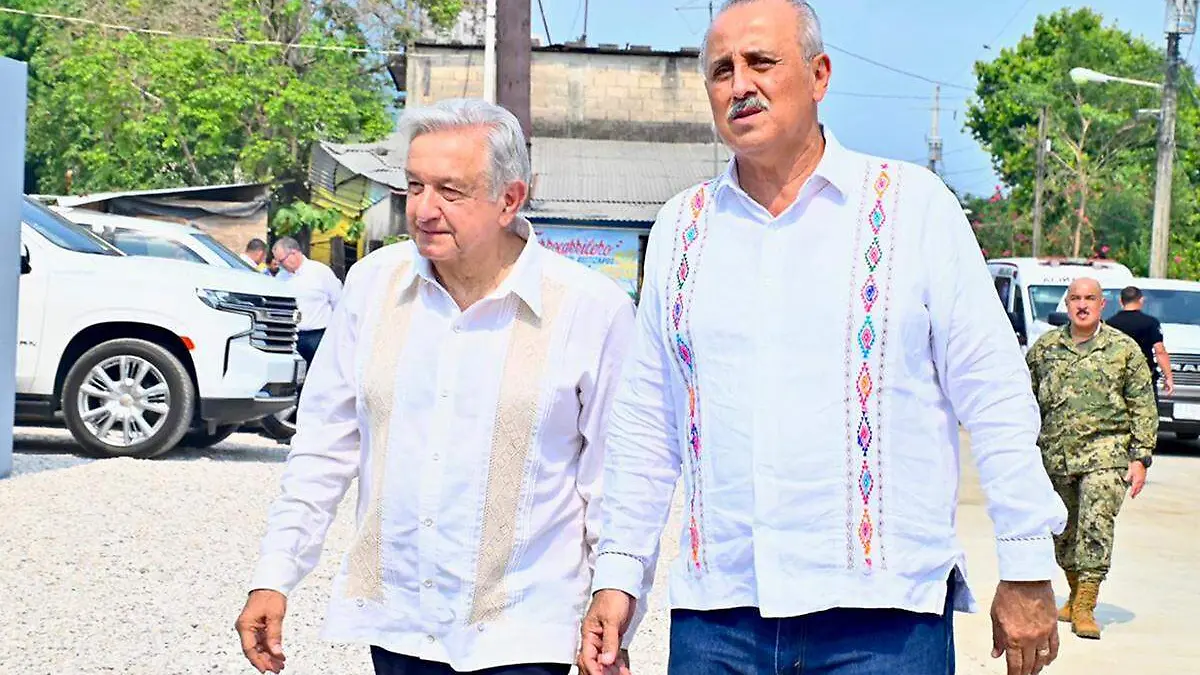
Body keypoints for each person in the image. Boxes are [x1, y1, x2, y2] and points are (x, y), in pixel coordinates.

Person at [577, 2, 1068, 674]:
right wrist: (617, 575)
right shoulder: (682, 230)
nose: (740, 85)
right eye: (721, 70)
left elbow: (995, 393)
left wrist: (1027, 562)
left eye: (761, 62)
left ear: (819, 75)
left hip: (885, 623)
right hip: (720, 619)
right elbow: (647, 422)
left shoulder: (912, 208)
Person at [234, 98, 637, 675]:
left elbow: (614, 479)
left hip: (525, 631)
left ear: (510, 199)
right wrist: (274, 575)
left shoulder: (589, 309)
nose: (423, 209)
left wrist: (615, 596)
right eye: (414, 186)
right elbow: (323, 446)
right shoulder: (373, 286)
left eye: (450, 191)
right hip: (400, 625)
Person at [1024, 277, 1157, 641]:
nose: (1082, 305)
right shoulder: (1045, 349)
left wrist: (1141, 457)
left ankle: (1085, 605)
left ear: (1102, 305)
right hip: (1056, 454)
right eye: (1075, 298)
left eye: (1090, 298)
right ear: (1067, 304)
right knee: (1064, 530)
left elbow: (1143, 405)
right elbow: (1024, 401)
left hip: (1106, 454)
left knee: (1095, 523)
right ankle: (1074, 591)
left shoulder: (1124, 350)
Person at [270, 236, 342, 366]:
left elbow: (338, 302)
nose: (280, 265)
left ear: (294, 253)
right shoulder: (281, 277)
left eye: (282, 261)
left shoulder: (320, 272)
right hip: (291, 336)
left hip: (318, 336)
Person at [1107, 285, 1175, 401]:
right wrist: (1168, 377)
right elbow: (1160, 351)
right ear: (1141, 300)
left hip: (1117, 376)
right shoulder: (1150, 323)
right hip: (1143, 377)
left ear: (1120, 301)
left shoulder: (1110, 324)